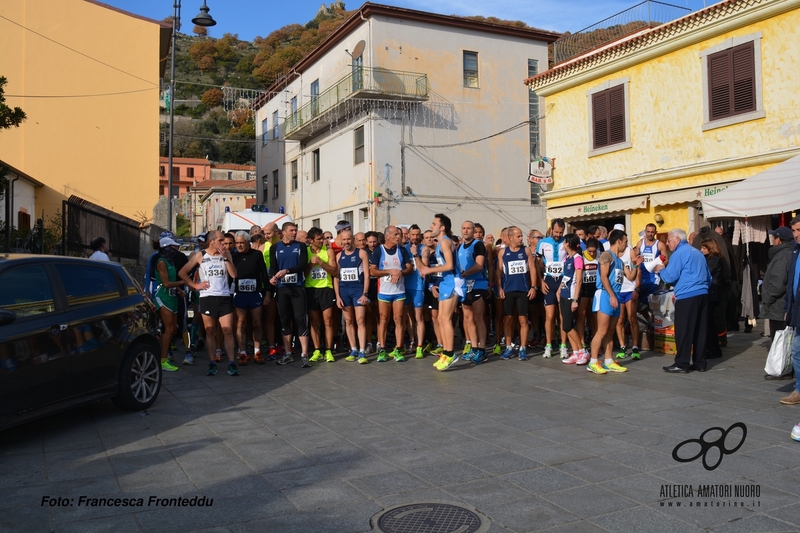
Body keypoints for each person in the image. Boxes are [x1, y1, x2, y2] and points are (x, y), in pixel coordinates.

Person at [179, 230, 240, 377]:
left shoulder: (226, 254)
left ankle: (231, 363)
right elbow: (182, 272)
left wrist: (226, 258)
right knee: (210, 330)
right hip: (207, 297)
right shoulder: (200, 255)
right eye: (220, 240)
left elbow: (234, 275)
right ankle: (212, 362)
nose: (223, 243)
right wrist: (195, 286)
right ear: (212, 241)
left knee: (227, 330)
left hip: (224, 296)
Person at [655, 228, 711, 373]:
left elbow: (669, 277)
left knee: (684, 330)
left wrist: (661, 269)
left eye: (669, 240)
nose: (667, 244)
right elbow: (709, 277)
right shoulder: (698, 252)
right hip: (703, 294)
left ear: (677, 240)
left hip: (687, 295)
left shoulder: (679, 253)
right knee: (700, 330)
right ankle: (700, 362)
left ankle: (682, 363)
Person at [587, 229, 638, 374]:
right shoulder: (606, 255)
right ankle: (593, 361)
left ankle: (608, 361)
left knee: (610, 331)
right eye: (626, 242)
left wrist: (635, 264)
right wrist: (611, 295)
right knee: (601, 330)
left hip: (616, 295)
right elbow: (603, 277)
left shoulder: (620, 261)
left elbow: (631, 277)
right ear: (619, 241)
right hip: (605, 295)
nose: (627, 245)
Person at [419, 214, 461, 370]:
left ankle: (450, 354)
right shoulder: (440, 244)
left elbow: (450, 265)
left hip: (452, 282)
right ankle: (445, 352)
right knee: (442, 319)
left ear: (442, 227)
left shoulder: (445, 243)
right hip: (445, 282)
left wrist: (430, 269)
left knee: (446, 319)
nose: (431, 226)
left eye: (434, 223)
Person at [269, 222, 312, 367]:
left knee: (300, 319)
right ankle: (288, 353)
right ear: (284, 232)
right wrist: (272, 278)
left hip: (298, 288)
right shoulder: (275, 248)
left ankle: (304, 354)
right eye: (292, 230)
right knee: (284, 320)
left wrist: (287, 271)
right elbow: (273, 267)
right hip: (282, 289)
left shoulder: (300, 247)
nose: (294, 233)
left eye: (296, 230)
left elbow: (303, 265)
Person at [369, 226, 413, 362]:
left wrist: (400, 272)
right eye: (395, 234)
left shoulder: (402, 250)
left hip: (399, 291)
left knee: (399, 319)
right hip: (384, 291)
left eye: (399, 234)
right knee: (383, 320)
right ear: (387, 236)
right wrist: (389, 271)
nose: (398, 237)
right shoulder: (378, 251)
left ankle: (399, 349)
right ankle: (382, 349)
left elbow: (410, 268)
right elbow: (373, 271)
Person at [496, 226, 538, 361]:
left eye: (521, 236)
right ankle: (508, 347)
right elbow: (499, 272)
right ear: (510, 237)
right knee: (507, 319)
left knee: (523, 319)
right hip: (508, 290)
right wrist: (500, 288)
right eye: (518, 236)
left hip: (523, 290)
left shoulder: (525, 251)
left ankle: (523, 348)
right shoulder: (503, 252)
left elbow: (532, 269)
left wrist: (533, 287)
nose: (521, 238)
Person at [232, 231, 270, 365]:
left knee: (257, 323)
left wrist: (267, 293)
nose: (239, 245)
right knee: (241, 323)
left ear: (248, 242)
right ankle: (242, 352)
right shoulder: (233, 256)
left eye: (242, 242)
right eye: (237, 243)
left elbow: (264, 274)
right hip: (240, 294)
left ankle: (257, 351)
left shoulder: (257, 255)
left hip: (255, 293)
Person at [334, 228, 370, 363]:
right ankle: (353, 349)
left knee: (360, 320)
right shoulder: (338, 256)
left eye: (349, 239)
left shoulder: (361, 254)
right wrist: (337, 296)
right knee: (348, 321)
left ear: (353, 240)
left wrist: (365, 293)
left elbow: (367, 275)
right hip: (344, 291)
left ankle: (362, 351)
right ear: (341, 241)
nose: (347, 241)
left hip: (358, 291)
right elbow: (336, 278)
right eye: (344, 239)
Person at [306, 227, 338, 363]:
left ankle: (329, 350)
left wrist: (320, 263)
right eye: (318, 239)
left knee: (328, 321)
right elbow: (303, 274)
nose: (322, 241)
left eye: (323, 238)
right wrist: (310, 265)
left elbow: (334, 271)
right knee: (314, 322)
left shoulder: (329, 251)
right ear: (311, 240)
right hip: (311, 289)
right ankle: (317, 350)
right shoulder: (305, 252)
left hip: (326, 288)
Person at [458, 221, 489, 364]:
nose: (466, 231)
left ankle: (482, 350)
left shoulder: (478, 244)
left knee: (478, 317)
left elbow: (479, 265)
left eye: (469, 228)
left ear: (473, 231)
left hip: (478, 284)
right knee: (468, 318)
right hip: (465, 286)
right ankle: (474, 347)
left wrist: (465, 273)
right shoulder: (459, 247)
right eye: (463, 228)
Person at [153, 234, 184, 372]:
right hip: (163, 297)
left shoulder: (170, 262)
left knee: (174, 329)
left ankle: (162, 354)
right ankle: (163, 360)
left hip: (172, 297)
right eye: (173, 246)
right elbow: (165, 283)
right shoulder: (161, 262)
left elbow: (171, 281)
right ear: (166, 248)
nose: (176, 248)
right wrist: (184, 282)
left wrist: (178, 289)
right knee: (169, 329)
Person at [538, 219, 567, 358]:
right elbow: (536, 264)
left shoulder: (566, 242)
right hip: (548, 280)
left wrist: (565, 283)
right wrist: (540, 281)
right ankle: (548, 345)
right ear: (551, 229)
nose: (558, 234)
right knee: (549, 316)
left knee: (562, 315)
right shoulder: (542, 243)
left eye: (561, 232)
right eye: (556, 232)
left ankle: (563, 346)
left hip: (563, 280)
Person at [780, 217, 800, 404]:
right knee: (796, 351)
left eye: (799, 230)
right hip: (797, 309)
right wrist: (788, 306)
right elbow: (791, 282)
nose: (797, 234)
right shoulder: (795, 251)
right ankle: (799, 390)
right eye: (794, 231)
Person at [559, 234, 587, 365]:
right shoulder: (567, 258)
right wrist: (559, 289)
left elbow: (579, 280)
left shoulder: (577, 258)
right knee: (565, 326)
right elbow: (565, 276)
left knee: (567, 325)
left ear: (569, 243)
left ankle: (583, 351)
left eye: (564, 242)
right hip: (564, 294)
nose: (563, 244)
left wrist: (575, 299)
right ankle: (575, 352)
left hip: (571, 296)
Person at [761, 227, 794, 338]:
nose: (772, 240)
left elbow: (777, 284)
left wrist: (767, 299)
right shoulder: (786, 253)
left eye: (773, 237)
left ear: (779, 239)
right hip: (780, 305)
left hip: (778, 306)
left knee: (779, 342)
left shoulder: (782, 256)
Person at [404, 224, 426, 358]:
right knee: (408, 317)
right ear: (409, 235)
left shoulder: (424, 250)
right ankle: (412, 341)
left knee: (419, 317)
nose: (415, 237)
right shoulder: (403, 249)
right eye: (413, 234)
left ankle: (420, 346)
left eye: (418, 235)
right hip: (405, 286)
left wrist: (415, 254)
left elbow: (423, 270)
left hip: (418, 287)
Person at [700, 238, 724, 360]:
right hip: (711, 293)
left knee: (709, 323)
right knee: (709, 323)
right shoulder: (709, 259)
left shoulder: (714, 260)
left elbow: (706, 273)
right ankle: (713, 347)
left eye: (704, 248)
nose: (701, 250)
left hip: (712, 294)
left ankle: (713, 348)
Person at [261, 222, 281, 360]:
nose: (266, 236)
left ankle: (287, 344)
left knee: (285, 316)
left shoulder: (283, 245)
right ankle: (271, 345)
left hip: (284, 283)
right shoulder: (263, 247)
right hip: (269, 284)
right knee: (270, 317)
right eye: (265, 233)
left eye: (269, 233)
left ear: (276, 231)